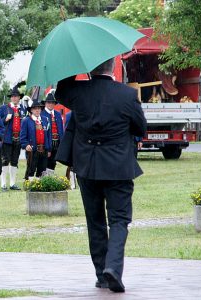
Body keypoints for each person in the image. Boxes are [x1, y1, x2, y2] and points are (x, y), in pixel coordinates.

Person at [55, 58, 147, 293]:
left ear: (92, 69)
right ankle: (113, 268)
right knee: (119, 220)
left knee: (94, 221)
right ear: (111, 68)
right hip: (118, 166)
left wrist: (74, 67)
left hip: (88, 165)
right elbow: (140, 128)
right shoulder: (126, 94)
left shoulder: (78, 92)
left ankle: (101, 274)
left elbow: (61, 91)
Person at [0, 84, 27, 190]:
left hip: (18, 139)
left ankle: (12, 183)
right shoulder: (4, 108)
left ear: (19, 97)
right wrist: (5, 119)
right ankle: (3, 184)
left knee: (15, 161)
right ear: (11, 98)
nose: (14, 98)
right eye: (13, 96)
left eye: (16, 96)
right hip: (6, 138)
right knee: (5, 160)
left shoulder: (23, 109)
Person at [20, 99, 52, 180]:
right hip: (32, 149)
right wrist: (26, 145)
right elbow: (23, 136)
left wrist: (48, 149)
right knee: (31, 169)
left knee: (42, 170)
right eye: (35, 108)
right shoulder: (26, 120)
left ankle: (39, 187)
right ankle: (29, 185)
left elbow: (48, 135)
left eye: (39, 108)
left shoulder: (45, 120)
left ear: (41, 109)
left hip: (44, 149)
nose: (37, 110)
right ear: (31, 110)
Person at [40, 92, 64, 175]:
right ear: (45, 103)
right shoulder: (41, 114)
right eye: (48, 102)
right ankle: (44, 180)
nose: (50, 104)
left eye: (52, 102)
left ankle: (50, 179)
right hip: (47, 143)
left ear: (54, 104)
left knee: (53, 162)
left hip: (57, 142)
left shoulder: (57, 114)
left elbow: (61, 130)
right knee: (45, 161)